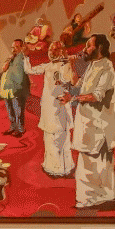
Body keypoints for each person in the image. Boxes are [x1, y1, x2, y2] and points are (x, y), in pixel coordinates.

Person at [62, 35, 115, 210]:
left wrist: (73, 98)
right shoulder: (92, 65)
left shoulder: (107, 67)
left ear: (100, 49)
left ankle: (90, 199)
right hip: (89, 122)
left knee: (93, 161)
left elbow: (97, 95)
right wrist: (72, 64)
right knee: (98, 160)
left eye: (89, 46)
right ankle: (107, 195)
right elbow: (76, 84)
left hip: (99, 124)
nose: (85, 49)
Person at [26, 40, 77, 176]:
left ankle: (63, 169)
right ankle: (52, 167)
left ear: (61, 51)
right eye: (50, 50)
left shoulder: (65, 65)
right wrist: (25, 57)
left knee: (62, 137)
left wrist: (69, 65)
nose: (52, 52)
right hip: (48, 107)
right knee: (49, 136)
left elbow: (69, 80)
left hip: (60, 106)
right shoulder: (47, 66)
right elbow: (30, 69)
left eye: (55, 50)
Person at [0, 38, 29, 136]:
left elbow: (25, 72)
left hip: (18, 88)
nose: (14, 49)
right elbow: (3, 68)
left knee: (18, 110)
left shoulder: (23, 58)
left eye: (17, 47)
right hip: (8, 88)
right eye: (13, 47)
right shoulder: (11, 57)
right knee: (10, 109)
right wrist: (9, 58)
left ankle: (20, 129)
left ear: (22, 47)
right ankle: (13, 127)